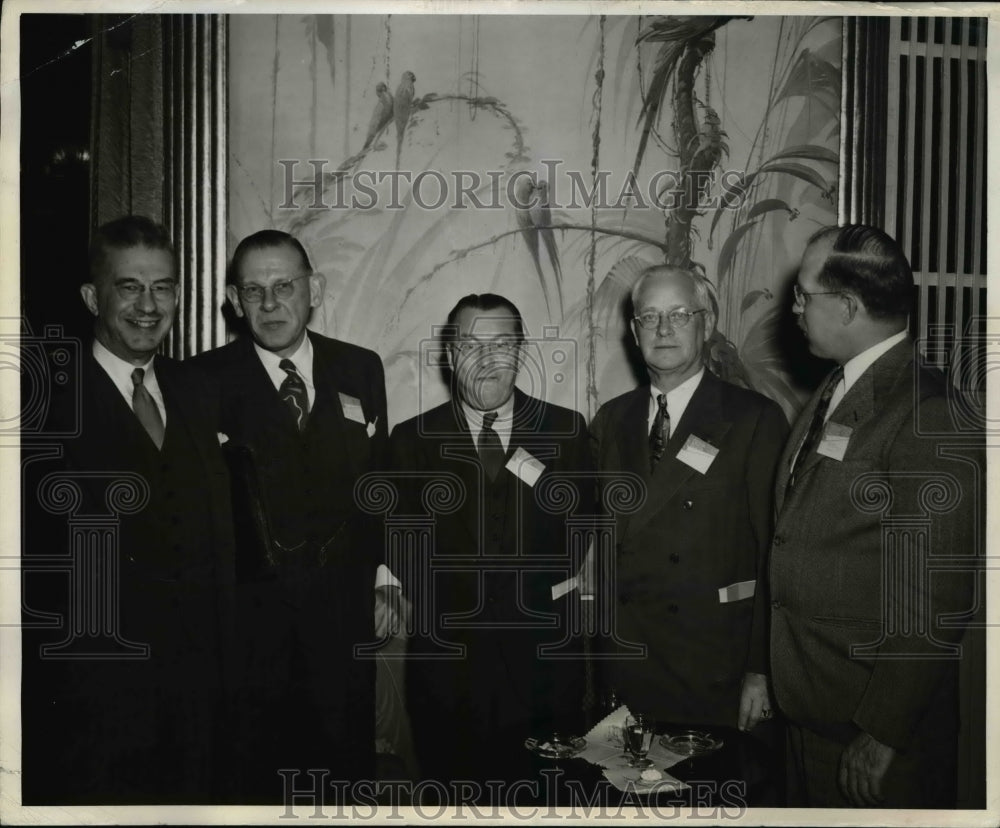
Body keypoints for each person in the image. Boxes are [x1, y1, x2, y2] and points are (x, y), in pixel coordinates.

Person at [20, 215, 236, 804]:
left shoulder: (198, 390)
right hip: (92, 700)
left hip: (196, 698)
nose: (148, 305)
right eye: (129, 286)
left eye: (162, 287)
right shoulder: (43, 402)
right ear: (93, 296)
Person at [770, 225, 979, 808]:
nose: (795, 307)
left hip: (871, 735)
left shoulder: (925, 410)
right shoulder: (840, 384)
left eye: (804, 295)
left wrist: (884, 730)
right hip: (814, 707)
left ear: (847, 306)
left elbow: (936, 592)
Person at [191, 229, 388, 801]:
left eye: (284, 286)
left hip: (344, 617)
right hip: (250, 629)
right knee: (257, 782)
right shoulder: (201, 381)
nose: (270, 303)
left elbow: (376, 485)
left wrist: (387, 576)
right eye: (253, 291)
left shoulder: (360, 369)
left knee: (345, 780)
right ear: (233, 300)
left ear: (315, 289)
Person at [388, 293, 591, 796]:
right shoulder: (410, 440)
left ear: (521, 352)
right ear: (451, 355)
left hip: (546, 675)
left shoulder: (568, 433)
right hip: (446, 679)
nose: (487, 359)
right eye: (471, 345)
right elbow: (398, 548)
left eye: (502, 344)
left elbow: (585, 541)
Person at [590, 265, 788, 731]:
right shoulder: (611, 419)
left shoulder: (753, 418)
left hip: (712, 660)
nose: (663, 329)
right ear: (634, 330)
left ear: (707, 322)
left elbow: (775, 555)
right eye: (650, 317)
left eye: (679, 314)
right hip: (626, 657)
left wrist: (761, 671)